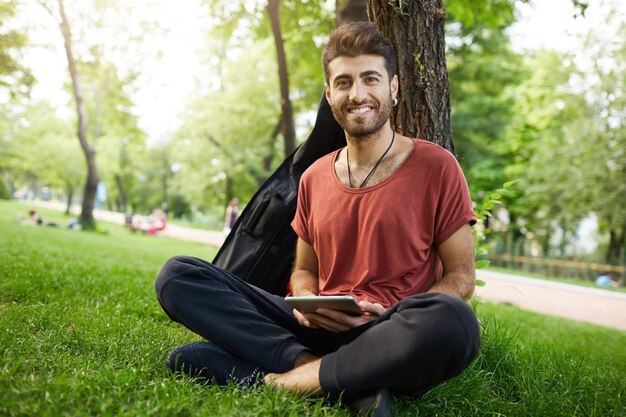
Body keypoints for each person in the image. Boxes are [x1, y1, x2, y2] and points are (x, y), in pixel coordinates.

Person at [155, 22, 479, 417]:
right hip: (318, 327)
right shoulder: (313, 177)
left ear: (393, 87)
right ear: (330, 94)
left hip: (390, 329)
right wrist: (310, 303)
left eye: (370, 79)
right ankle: (333, 376)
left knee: (455, 321)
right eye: (343, 83)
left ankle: (281, 380)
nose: (357, 94)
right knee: (178, 275)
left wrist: (394, 312)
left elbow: (461, 278)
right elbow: (304, 270)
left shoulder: (436, 166)